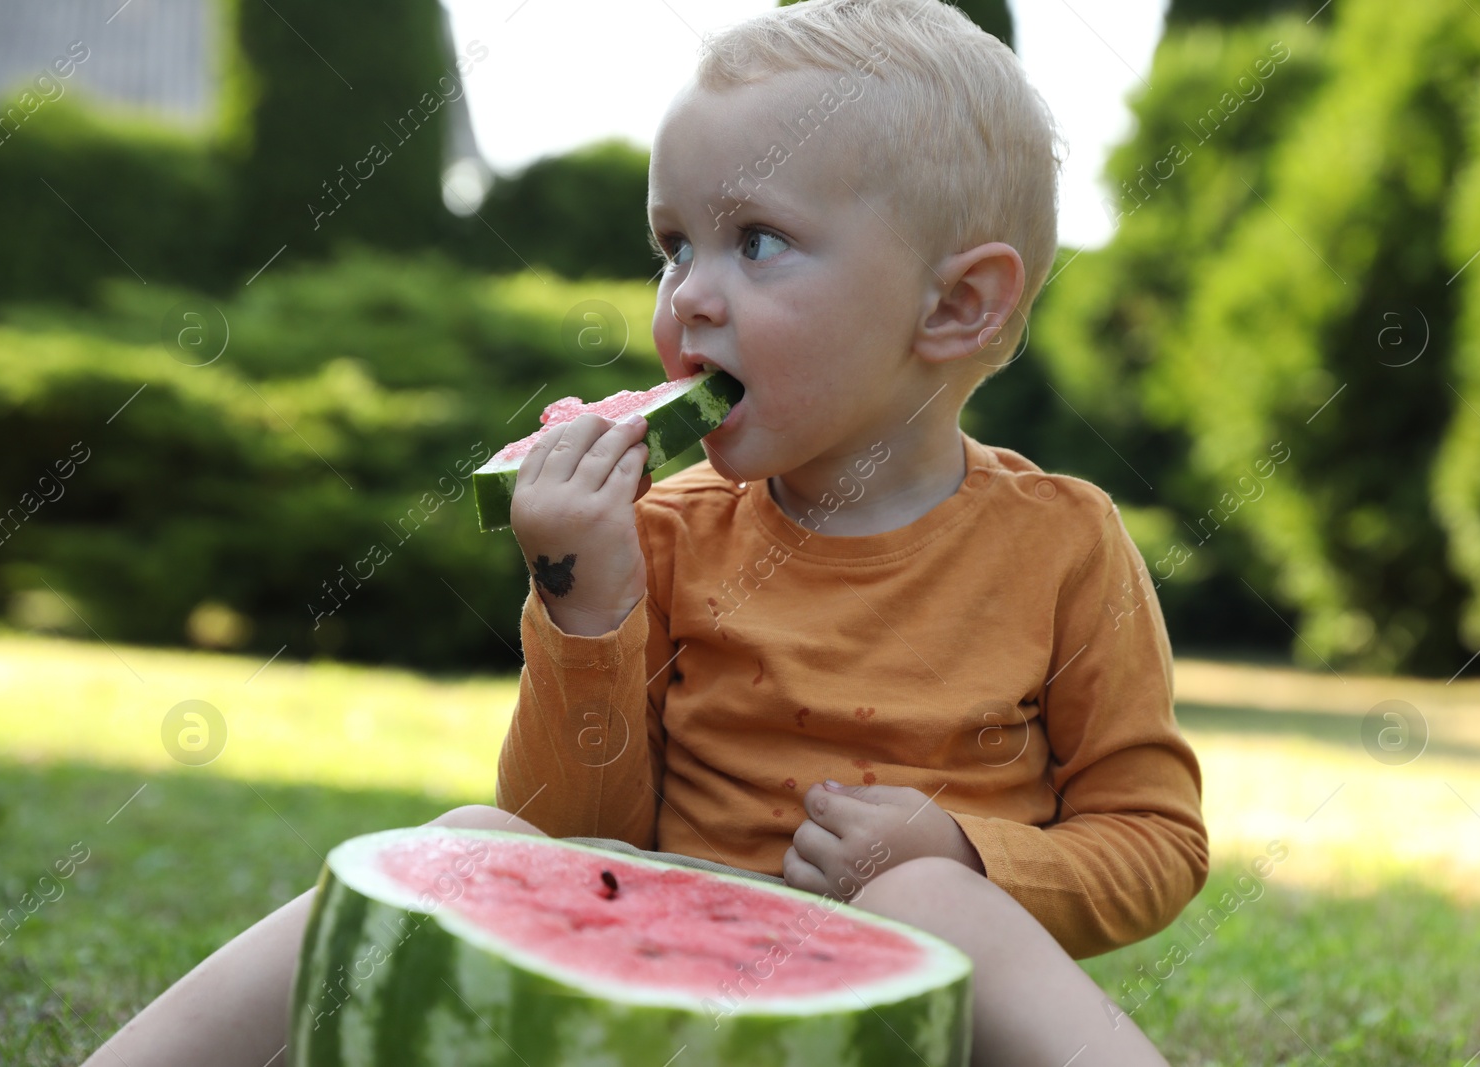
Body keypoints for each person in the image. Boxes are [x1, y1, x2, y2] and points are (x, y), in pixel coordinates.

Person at [85, 2, 1203, 1064]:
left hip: (902, 1028)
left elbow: (1155, 840)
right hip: (641, 1015)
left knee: (921, 896)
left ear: (956, 305)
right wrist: (585, 604)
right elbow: (570, 834)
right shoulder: (661, 534)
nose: (688, 297)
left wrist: (963, 857)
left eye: (756, 241)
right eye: (673, 247)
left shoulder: (1063, 545)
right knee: (473, 837)